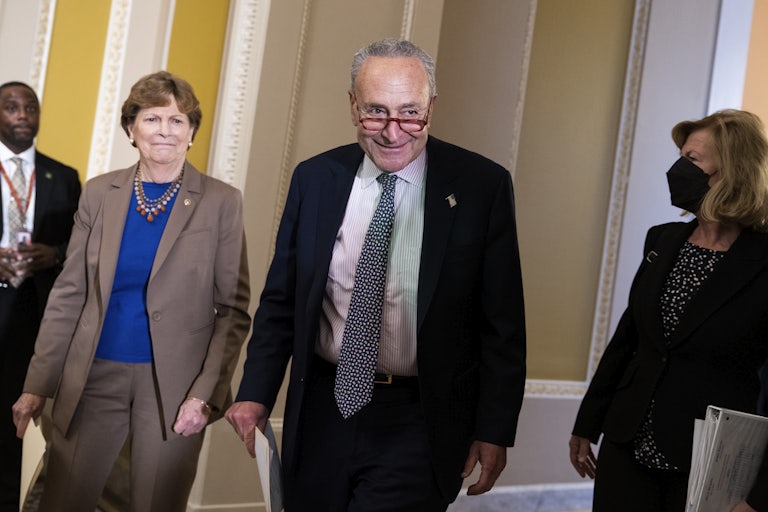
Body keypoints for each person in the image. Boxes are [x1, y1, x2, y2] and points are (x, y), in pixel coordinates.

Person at [226, 38, 526, 511]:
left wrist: (494, 428)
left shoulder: (480, 186)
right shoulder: (315, 178)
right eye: (375, 112)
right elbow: (282, 299)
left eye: (410, 112)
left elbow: (502, 323)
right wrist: (255, 392)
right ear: (352, 106)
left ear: (431, 105)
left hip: (419, 416)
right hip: (323, 408)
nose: (392, 132)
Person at [11, 71, 251, 512]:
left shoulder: (222, 202)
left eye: (178, 121)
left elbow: (232, 311)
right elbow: (69, 292)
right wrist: (37, 384)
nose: (165, 131)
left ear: (193, 132)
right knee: (62, 501)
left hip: (175, 390)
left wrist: (204, 394)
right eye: (153, 119)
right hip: (93, 377)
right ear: (130, 128)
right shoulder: (100, 193)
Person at [569, 109, 768, 512]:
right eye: (680, 156)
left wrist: (761, 494)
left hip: (710, 460)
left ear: (732, 170)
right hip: (627, 439)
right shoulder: (662, 239)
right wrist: (587, 422)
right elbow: (630, 338)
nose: (678, 169)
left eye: (692, 160)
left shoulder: (763, 260)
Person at [0, 81, 80, 511]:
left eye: (30, 107)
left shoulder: (63, 176)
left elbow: (83, 250)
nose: (22, 114)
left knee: (18, 419)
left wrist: (56, 254)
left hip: (35, 314)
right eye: (11, 106)